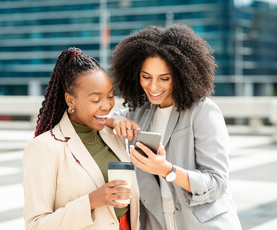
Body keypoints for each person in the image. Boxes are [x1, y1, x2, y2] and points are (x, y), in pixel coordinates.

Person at [107, 24, 242, 230]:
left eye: (164, 78)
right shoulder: (140, 111)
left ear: (180, 75)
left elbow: (216, 183)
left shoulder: (203, 112)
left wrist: (167, 170)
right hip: (157, 223)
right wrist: (114, 120)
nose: (153, 87)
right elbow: (99, 117)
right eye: (146, 76)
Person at [23, 47, 140, 230]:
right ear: (70, 100)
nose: (107, 105)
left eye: (110, 96)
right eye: (96, 100)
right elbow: (36, 225)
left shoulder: (112, 135)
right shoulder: (44, 148)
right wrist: (91, 201)